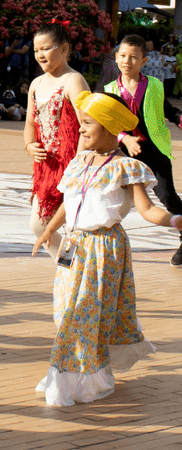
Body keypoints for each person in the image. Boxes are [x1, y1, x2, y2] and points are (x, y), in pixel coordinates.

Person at [32, 91, 164, 406]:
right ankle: (84, 371)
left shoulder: (126, 167)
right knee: (67, 311)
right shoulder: (79, 162)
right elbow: (68, 201)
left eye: (88, 124)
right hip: (74, 246)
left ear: (107, 126)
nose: (81, 129)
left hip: (104, 249)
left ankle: (67, 377)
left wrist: (174, 220)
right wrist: (49, 230)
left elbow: (146, 209)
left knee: (85, 314)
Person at [104, 34, 182, 267]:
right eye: (123, 56)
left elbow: (169, 110)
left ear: (144, 61)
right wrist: (124, 139)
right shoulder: (109, 89)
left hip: (153, 149)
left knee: (167, 195)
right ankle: (102, 246)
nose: (127, 61)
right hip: (122, 153)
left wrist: (180, 119)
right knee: (110, 200)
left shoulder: (154, 85)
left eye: (134, 57)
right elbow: (105, 123)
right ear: (116, 58)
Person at [24, 20, 90, 254]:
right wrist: (30, 145)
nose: (39, 55)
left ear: (64, 49)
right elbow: (30, 123)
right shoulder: (36, 84)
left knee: (73, 224)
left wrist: (79, 164)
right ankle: (69, 266)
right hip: (46, 167)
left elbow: (88, 125)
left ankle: (74, 271)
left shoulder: (73, 80)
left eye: (45, 49)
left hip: (72, 165)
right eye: (36, 50)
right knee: (39, 224)